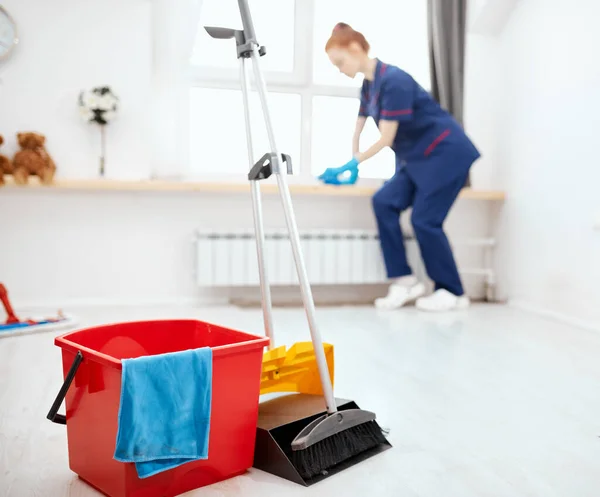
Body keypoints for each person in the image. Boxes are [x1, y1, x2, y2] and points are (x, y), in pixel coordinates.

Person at [319, 23, 481, 312]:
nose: (340, 69)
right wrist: (352, 160)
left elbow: (386, 137)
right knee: (384, 201)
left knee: (424, 219)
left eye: (340, 62)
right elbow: (358, 129)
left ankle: (453, 292)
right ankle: (405, 280)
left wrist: (353, 162)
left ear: (355, 49)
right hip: (418, 158)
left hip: (445, 153)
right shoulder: (368, 87)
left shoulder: (394, 81)